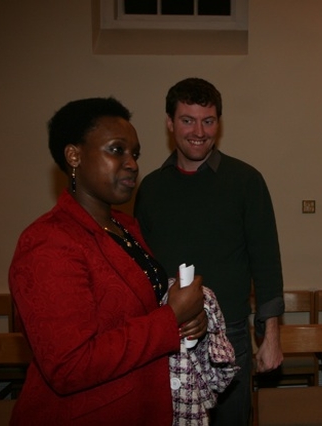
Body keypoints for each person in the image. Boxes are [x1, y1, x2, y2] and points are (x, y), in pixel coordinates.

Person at [8, 97, 208, 425]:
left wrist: (186, 318)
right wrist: (170, 318)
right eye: (116, 150)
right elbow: (70, 366)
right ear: (74, 155)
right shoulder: (48, 242)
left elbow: (137, 311)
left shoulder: (126, 227)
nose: (131, 163)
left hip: (143, 403)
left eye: (135, 154)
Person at [134, 77, 284, 425]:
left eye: (208, 120)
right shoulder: (151, 189)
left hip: (229, 336)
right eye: (187, 120)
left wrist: (271, 337)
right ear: (170, 123)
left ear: (219, 122)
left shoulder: (246, 181)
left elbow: (267, 262)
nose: (198, 131)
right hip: (168, 336)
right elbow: (141, 270)